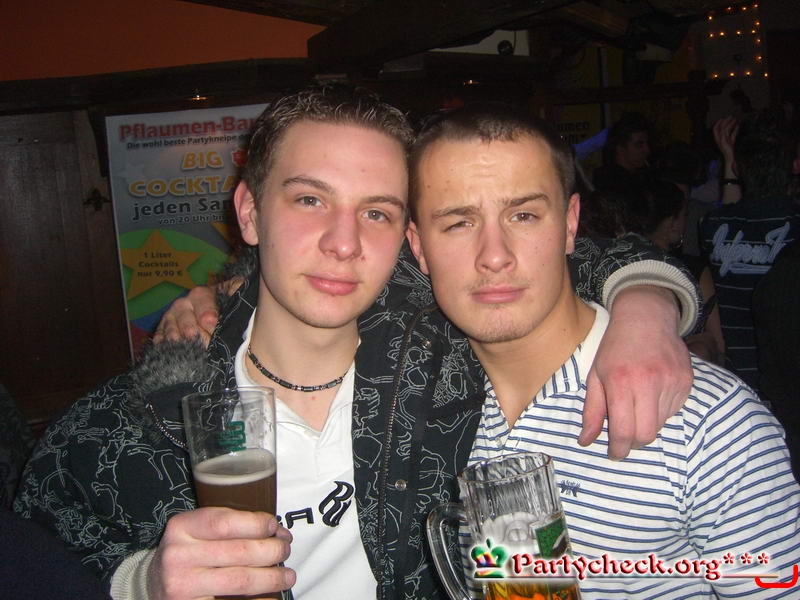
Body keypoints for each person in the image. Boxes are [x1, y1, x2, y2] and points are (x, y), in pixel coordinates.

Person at [16, 87, 700, 600]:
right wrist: (140, 585)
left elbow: (546, 256)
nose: (344, 244)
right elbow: (31, 555)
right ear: (249, 212)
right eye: (310, 200)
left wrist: (645, 304)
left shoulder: (444, 350)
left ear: (408, 240)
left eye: (376, 211)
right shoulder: (131, 425)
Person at [403, 104, 798, 597]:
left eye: (524, 215)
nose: (495, 255)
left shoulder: (709, 423)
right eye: (458, 223)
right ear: (418, 246)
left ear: (571, 223)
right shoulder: (417, 402)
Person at [699, 109, 800, 391]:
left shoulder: (713, 225)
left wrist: (730, 160)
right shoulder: (795, 223)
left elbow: (733, 213)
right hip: (788, 385)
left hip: (737, 384)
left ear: (738, 167)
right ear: (794, 165)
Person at [624, 178, 726, 365]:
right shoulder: (691, 270)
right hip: (688, 373)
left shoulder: (616, 266)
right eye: (684, 215)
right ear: (672, 223)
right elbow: (718, 344)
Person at [592, 111, 652, 194]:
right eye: (639, 145)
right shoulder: (611, 186)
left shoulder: (642, 178)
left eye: (647, 144)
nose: (647, 150)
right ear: (620, 148)